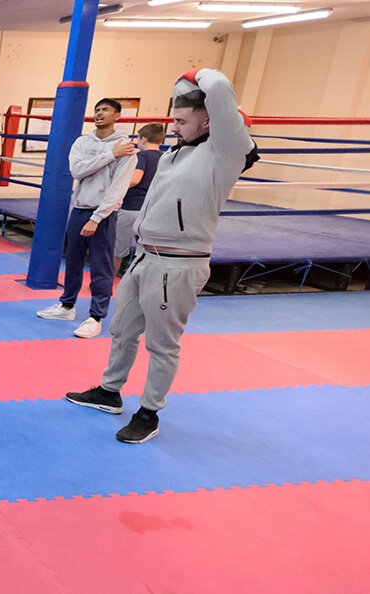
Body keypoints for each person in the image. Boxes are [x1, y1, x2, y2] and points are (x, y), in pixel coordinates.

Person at [66, 69, 257, 444]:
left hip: (178, 264)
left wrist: (196, 73)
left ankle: (149, 412)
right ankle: (109, 391)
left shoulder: (224, 153)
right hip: (144, 257)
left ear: (209, 120)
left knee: (162, 344)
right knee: (122, 329)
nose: (174, 126)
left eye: (182, 121)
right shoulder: (172, 156)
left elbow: (219, 89)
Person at [35, 98, 138, 339]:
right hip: (79, 209)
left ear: (117, 116)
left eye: (106, 110)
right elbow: (77, 170)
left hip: (104, 214)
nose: (100, 113)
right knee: (72, 261)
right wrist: (110, 155)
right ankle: (67, 306)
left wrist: (97, 217)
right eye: (97, 109)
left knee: (101, 266)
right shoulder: (83, 142)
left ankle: (96, 317)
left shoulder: (126, 148)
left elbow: (118, 187)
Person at [115, 123, 165, 276]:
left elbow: (135, 179)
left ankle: (105, 282)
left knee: (117, 249)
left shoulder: (142, 156)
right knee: (144, 250)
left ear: (143, 139)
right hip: (151, 208)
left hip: (132, 207)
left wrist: (116, 185)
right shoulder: (165, 157)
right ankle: (140, 281)